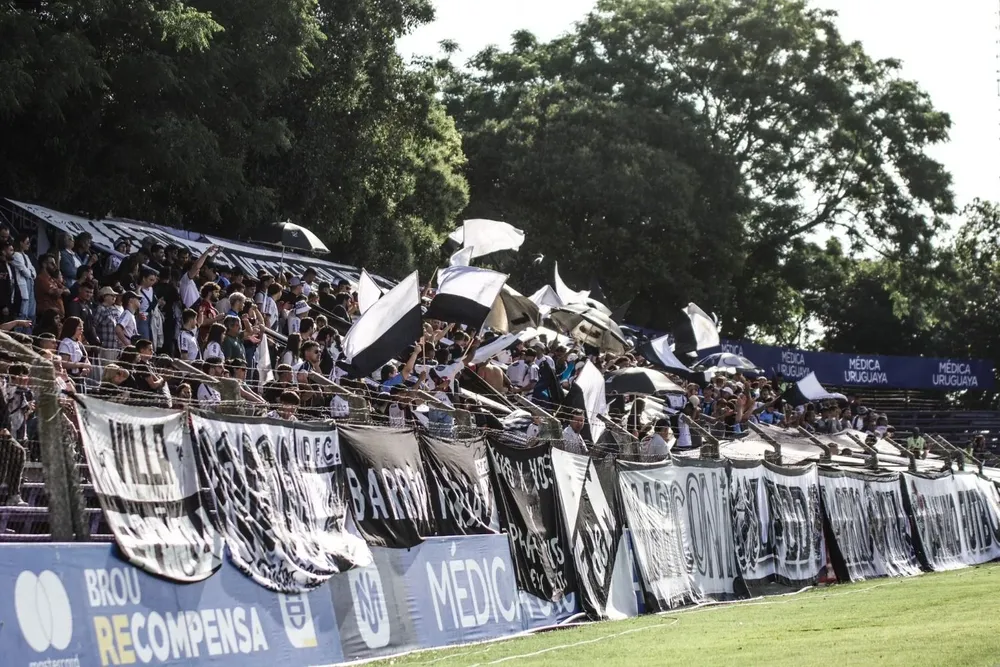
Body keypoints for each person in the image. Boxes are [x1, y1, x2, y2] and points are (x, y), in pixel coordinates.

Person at [57, 316, 93, 384]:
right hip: (70, 379)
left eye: (82, 328)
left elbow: (86, 359)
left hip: (80, 379)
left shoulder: (79, 344)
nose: (81, 330)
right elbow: (63, 363)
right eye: (79, 328)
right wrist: (81, 365)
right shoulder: (66, 343)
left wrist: (86, 368)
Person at [10, 235, 35, 326]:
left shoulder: (26, 256)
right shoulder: (16, 255)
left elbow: (33, 270)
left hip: (30, 284)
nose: (29, 244)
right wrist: (31, 273)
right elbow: (25, 271)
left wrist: (31, 273)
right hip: (22, 285)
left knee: (30, 314)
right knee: (22, 314)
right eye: (27, 242)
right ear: (21, 243)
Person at [35, 254, 67, 319]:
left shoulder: (52, 279)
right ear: (44, 264)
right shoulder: (41, 278)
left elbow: (68, 291)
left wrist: (61, 290)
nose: (55, 266)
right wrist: (61, 290)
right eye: (52, 264)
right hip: (47, 316)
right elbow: (55, 293)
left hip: (57, 316)